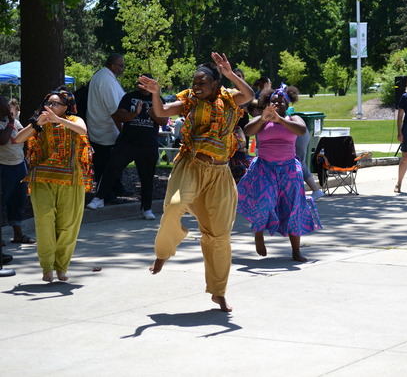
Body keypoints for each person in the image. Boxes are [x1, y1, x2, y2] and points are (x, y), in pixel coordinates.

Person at [137, 52, 253, 312]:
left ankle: (218, 291)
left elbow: (249, 96)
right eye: (195, 82)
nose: (197, 86)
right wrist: (155, 92)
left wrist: (230, 74)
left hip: (220, 173)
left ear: (215, 84)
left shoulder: (229, 98)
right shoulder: (189, 99)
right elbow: (162, 112)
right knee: (175, 205)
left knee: (219, 236)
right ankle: (163, 253)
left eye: (202, 83)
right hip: (191, 165)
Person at [237, 84, 322, 263]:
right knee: (264, 201)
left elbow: (301, 131)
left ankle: (296, 251)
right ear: (267, 103)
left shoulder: (294, 118)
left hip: (288, 169)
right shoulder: (261, 119)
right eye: (273, 102)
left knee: (292, 207)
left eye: (281, 101)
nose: (277, 104)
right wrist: (264, 119)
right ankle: (258, 235)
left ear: (288, 103)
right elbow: (247, 131)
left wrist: (280, 120)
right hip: (264, 168)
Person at [14, 88, 92, 282]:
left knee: (68, 226)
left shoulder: (74, 121)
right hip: (42, 178)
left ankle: (61, 267)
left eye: (56, 103)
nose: (50, 107)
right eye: (48, 103)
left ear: (66, 106)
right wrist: (36, 124)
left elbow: (83, 131)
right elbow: (18, 139)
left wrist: (60, 121)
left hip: (72, 179)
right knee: (44, 222)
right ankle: (47, 267)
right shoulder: (38, 122)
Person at [85, 74, 168, 220]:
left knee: (147, 177)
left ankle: (146, 208)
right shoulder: (129, 97)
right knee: (112, 168)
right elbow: (118, 116)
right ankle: (99, 198)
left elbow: (163, 121)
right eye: (142, 82)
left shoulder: (157, 99)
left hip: (148, 144)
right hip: (127, 142)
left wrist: (153, 115)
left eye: (147, 83)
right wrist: (134, 114)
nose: (144, 86)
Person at [86, 53, 127, 201]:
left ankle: (115, 187)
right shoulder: (105, 79)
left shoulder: (106, 77)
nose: (123, 69)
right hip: (104, 130)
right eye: (121, 65)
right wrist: (124, 131)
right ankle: (106, 194)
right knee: (105, 164)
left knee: (112, 162)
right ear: (113, 66)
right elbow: (114, 111)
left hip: (104, 128)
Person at [1, 97, 35, 250]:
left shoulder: (15, 122)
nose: (8, 108)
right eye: (4, 105)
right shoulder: (8, 122)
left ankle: (18, 234)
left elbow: (23, 135)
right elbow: (3, 139)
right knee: (2, 201)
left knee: (18, 200)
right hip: (3, 167)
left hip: (19, 165)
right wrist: (10, 120)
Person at [295, 126, 324, 199]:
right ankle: (315, 190)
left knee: (297, 163)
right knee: (300, 163)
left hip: (297, 134)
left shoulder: (293, 119)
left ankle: (301, 194)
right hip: (301, 133)